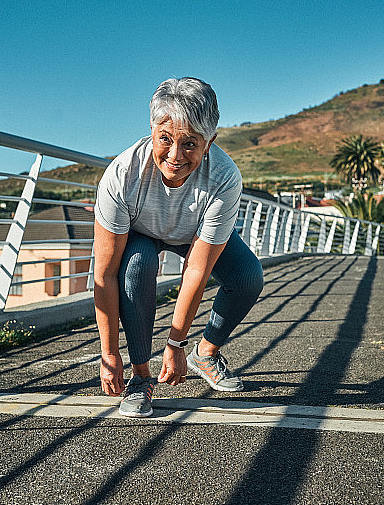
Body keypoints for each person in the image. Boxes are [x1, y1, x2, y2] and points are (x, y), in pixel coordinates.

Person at [93, 77, 264, 417]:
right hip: (140, 232)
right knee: (135, 266)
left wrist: (176, 344)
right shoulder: (122, 174)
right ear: (152, 129)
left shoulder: (224, 178)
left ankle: (207, 352)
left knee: (247, 277)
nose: (174, 156)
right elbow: (105, 272)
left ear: (209, 143)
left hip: (194, 233)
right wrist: (109, 353)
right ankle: (141, 379)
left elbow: (196, 269)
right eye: (165, 139)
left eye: (190, 144)